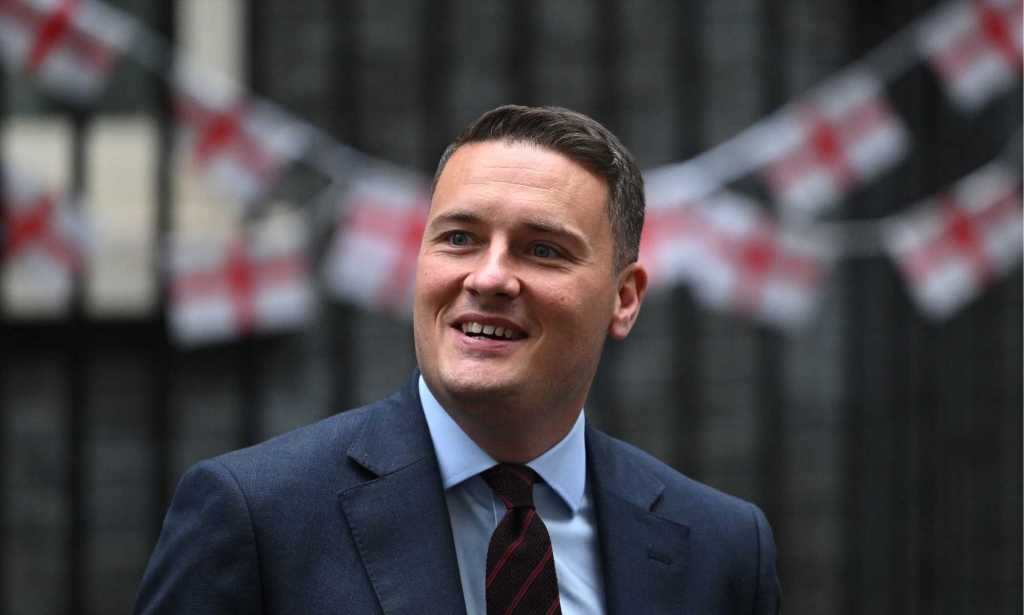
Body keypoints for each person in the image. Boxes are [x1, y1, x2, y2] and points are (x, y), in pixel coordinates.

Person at [134, 105, 781, 614]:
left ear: (625, 298)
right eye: (460, 238)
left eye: (543, 250)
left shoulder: (722, 546)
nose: (490, 276)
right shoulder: (256, 516)